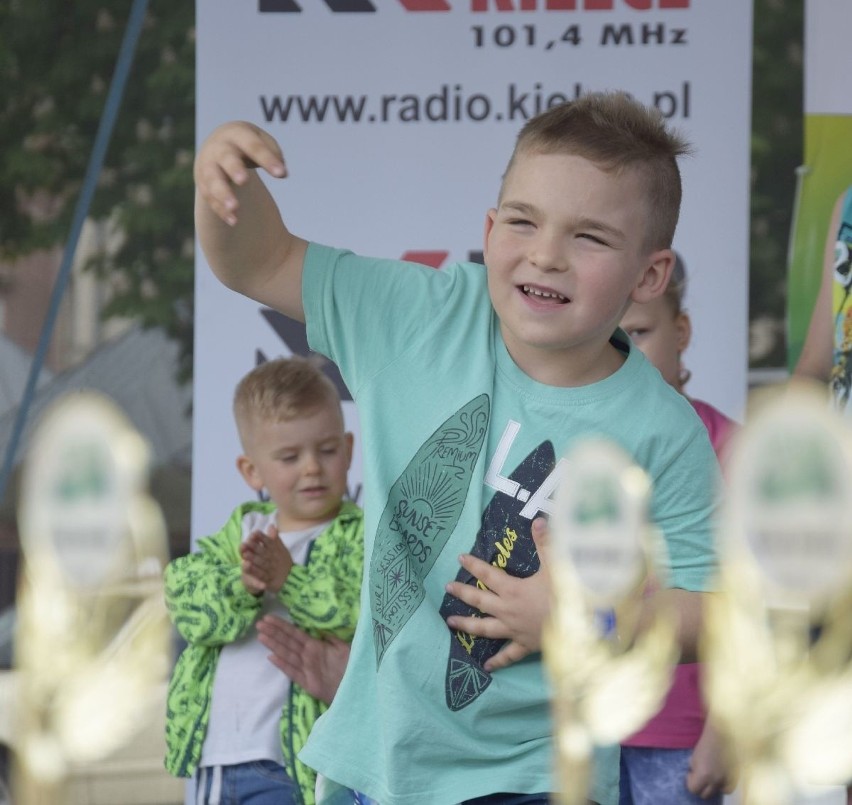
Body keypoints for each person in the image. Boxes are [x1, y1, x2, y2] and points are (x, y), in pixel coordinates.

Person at [193, 90, 721, 805]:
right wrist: (222, 183)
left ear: (649, 276)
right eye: (523, 220)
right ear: (488, 225)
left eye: (589, 237)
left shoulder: (665, 427)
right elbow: (258, 261)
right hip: (373, 762)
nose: (546, 254)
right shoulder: (420, 314)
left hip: (539, 775)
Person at [163, 356, 363, 805]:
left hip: (304, 763)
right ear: (252, 471)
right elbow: (187, 604)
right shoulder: (241, 533)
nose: (312, 468)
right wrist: (245, 583)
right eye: (290, 457)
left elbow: (357, 613)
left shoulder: (359, 536)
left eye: (327, 450)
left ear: (349, 450)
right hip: (221, 756)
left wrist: (288, 580)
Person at [617, 254, 737, 804]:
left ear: (681, 330)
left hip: (684, 746)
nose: (622, 354)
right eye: (607, 337)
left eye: (639, 332)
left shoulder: (732, 451)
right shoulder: (576, 452)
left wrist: (726, 728)